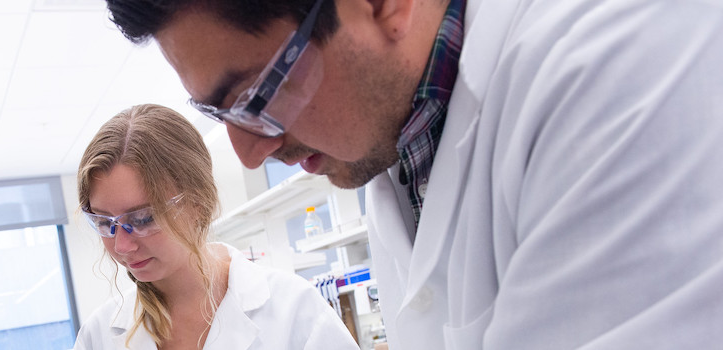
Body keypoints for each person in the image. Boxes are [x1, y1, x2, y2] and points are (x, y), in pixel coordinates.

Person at [104, 0, 723, 349]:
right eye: (218, 113)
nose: (246, 153)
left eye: (258, 97)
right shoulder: (390, 148)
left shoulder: (616, 61)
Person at [73, 104, 358, 349]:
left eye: (143, 219)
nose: (122, 246)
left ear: (197, 202)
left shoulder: (295, 311)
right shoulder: (98, 336)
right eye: (103, 221)